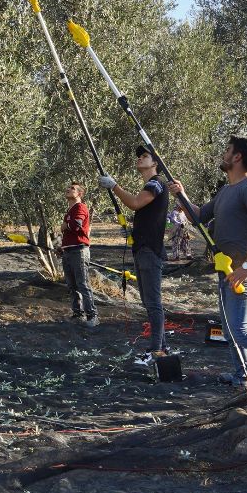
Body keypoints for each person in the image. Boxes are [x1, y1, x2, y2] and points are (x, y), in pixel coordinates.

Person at [169, 136, 247, 389]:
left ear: (237, 157)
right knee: (230, 329)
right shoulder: (226, 190)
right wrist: (181, 195)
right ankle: (242, 376)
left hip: (246, 272)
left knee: (241, 329)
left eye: (227, 150)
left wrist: (246, 268)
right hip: (227, 270)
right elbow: (199, 215)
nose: (223, 154)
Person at [99, 147, 170, 357]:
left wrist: (115, 187)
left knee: (153, 302)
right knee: (149, 302)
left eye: (145, 156)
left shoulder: (156, 183)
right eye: (139, 155)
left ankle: (157, 349)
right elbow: (144, 212)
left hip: (149, 250)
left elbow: (135, 203)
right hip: (143, 248)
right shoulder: (150, 185)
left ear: (155, 162)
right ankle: (162, 346)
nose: (140, 158)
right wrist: (133, 231)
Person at [58, 181, 98, 327]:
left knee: (82, 284)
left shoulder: (80, 207)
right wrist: (62, 247)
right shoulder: (69, 210)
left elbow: (76, 225)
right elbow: (68, 233)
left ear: (79, 194)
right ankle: (77, 314)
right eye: (68, 187)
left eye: (73, 188)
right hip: (69, 250)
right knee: (71, 285)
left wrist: (65, 226)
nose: (68, 189)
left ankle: (92, 315)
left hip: (79, 250)